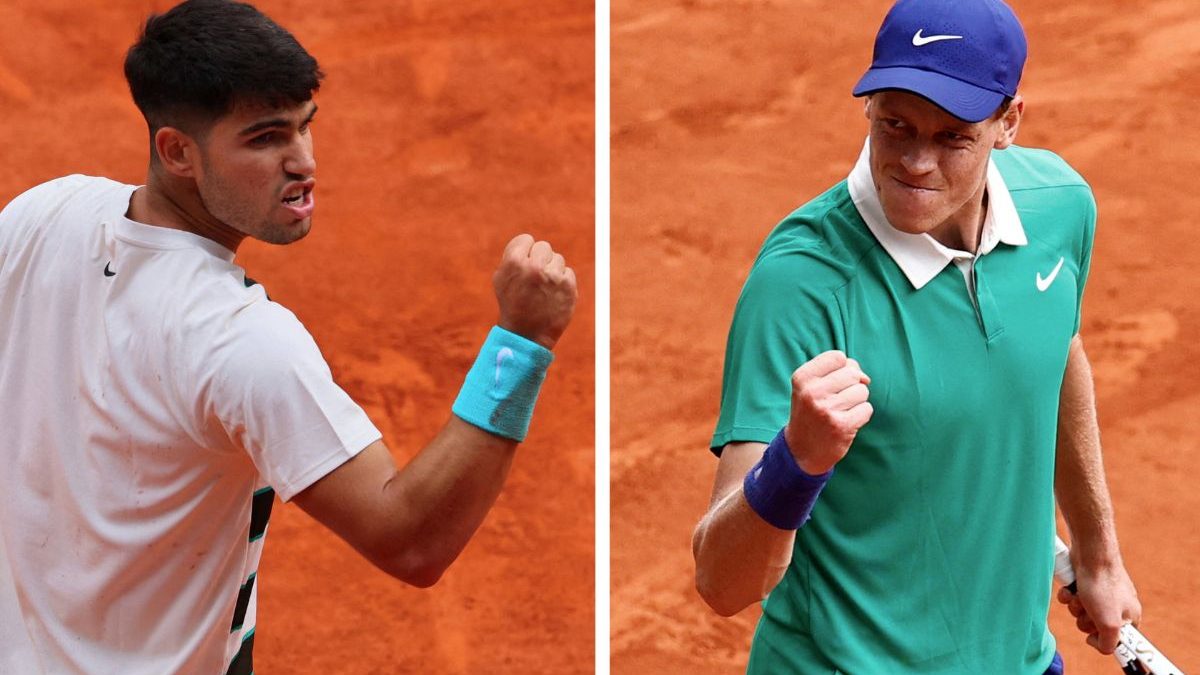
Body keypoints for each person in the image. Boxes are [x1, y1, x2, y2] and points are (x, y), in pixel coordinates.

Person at [0, 1, 577, 673]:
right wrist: (521, 342)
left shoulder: (45, 212)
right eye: (265, 138)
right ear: (178, 151)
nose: (303, 162)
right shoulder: (239, 339)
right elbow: (411, 540)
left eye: (306, 126)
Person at [691, 0, 1139, 672]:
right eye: (895, 125)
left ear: (1008, 123)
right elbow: (721, 582)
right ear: (869, 107)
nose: (916, 163)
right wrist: (796, 461)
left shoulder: (1059, 208)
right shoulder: (802, 283)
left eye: (953, 137)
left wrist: (1099, 555)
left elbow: (1057, 349)